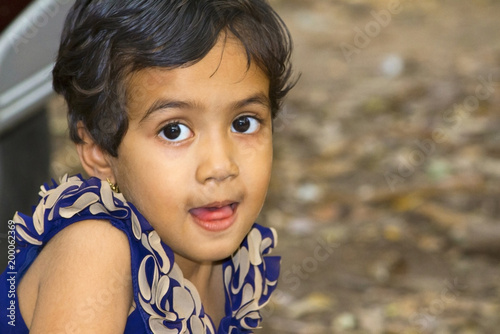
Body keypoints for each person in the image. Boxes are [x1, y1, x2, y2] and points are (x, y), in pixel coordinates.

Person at [0, 0, 296, 333]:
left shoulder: (231, 264)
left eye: (244, 123)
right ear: (99, 151)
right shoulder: (96, 252)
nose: (220, 166)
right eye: (174, 131)